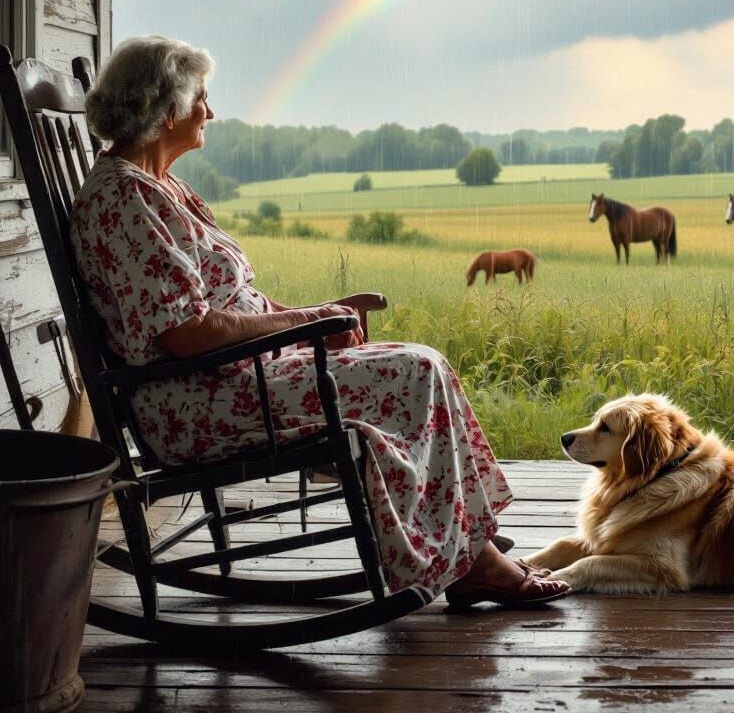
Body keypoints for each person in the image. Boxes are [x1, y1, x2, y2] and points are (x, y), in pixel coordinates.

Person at [69, 35, 569, 608]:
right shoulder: (127, 202)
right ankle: (473, 562)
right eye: (202, 97)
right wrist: (306, 322)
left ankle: (461, 538)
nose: (211, 111)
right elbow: (188, 334)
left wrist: (316, 314)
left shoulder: (159, 186)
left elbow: (234, 299)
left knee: (421, 362)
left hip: (233, 375)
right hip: (196, 400)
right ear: (165, 108)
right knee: (411, 373)